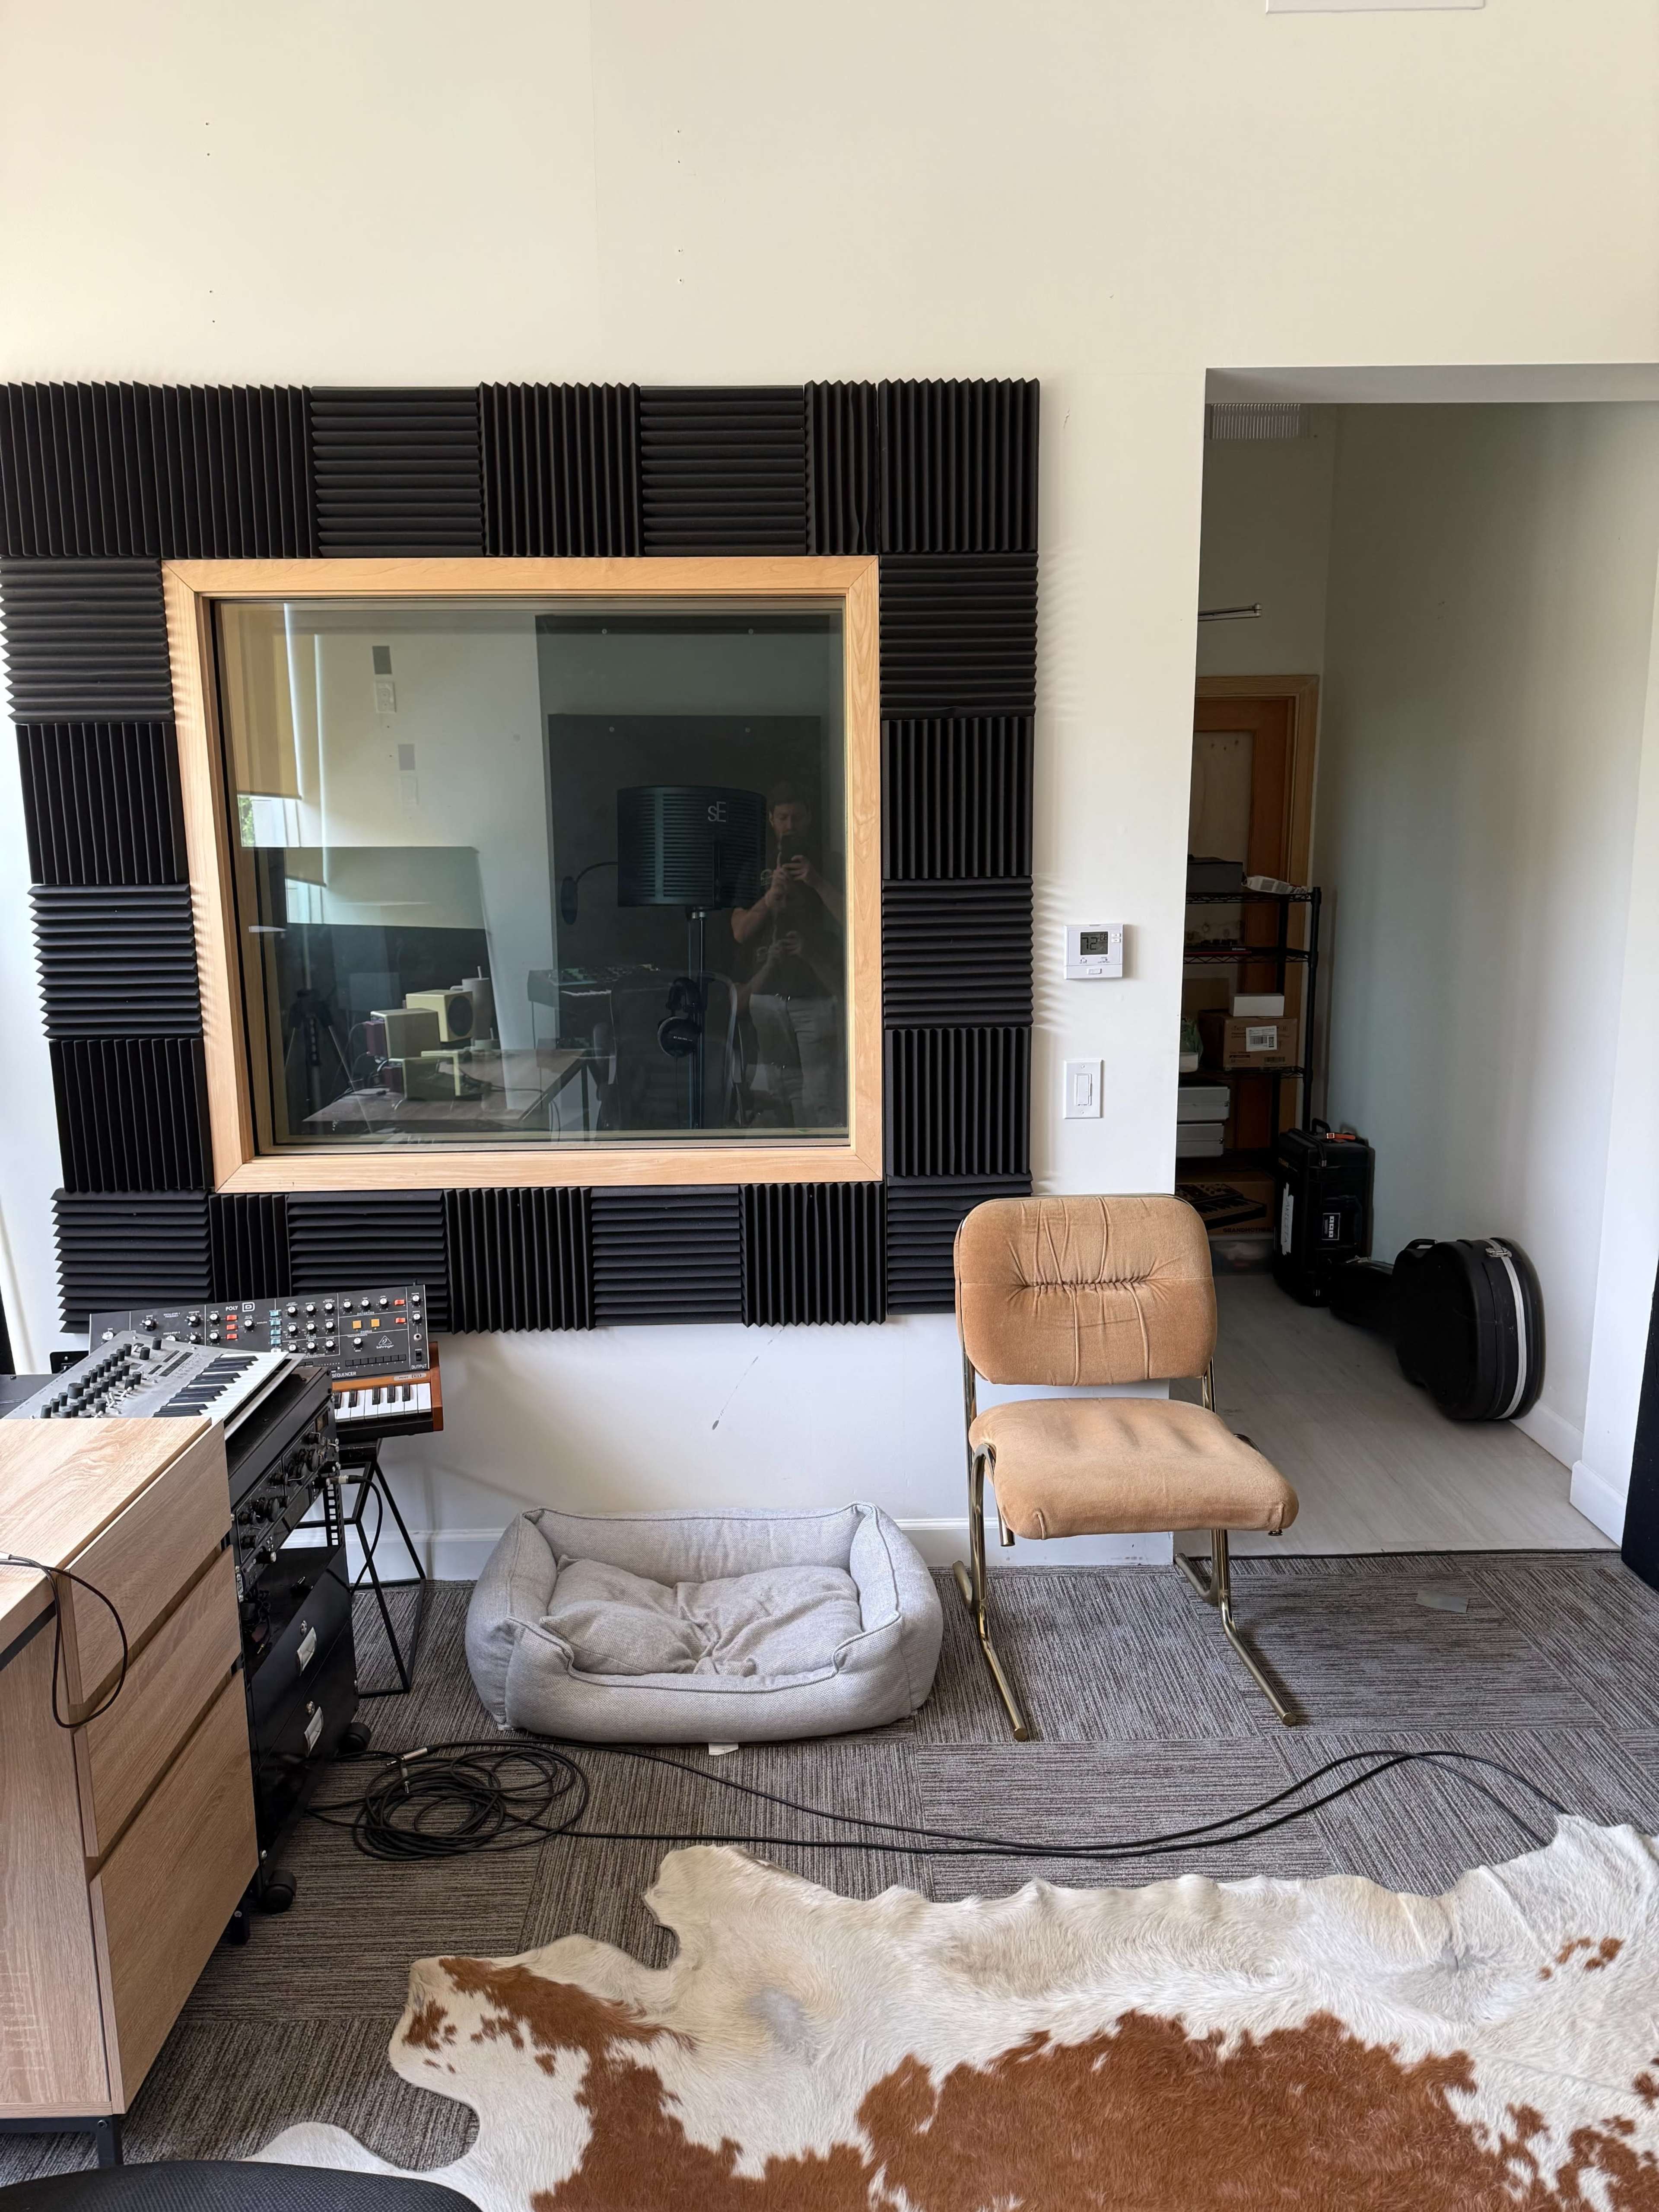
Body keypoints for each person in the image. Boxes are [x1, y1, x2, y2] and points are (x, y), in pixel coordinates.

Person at [730, 781, 845, 1130]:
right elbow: (740, 932)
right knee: (777, 1093)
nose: (790, 826)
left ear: (809, 818)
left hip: (817, 994)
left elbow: (860, 922)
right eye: (783, 818)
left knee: (821, 1094)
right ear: (771, 819)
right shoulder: (756, 868)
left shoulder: (832, 863)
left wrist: (817, 881)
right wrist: (770, 896)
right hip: (766, 995)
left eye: (797, 817)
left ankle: (828, 1171)